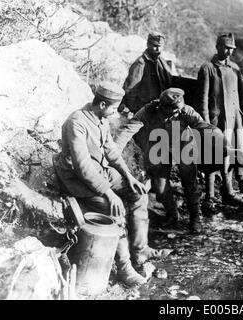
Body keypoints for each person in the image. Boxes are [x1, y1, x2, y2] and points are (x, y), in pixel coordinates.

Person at [53, 82, 171, 287]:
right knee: (113, 209)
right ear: (101, 105)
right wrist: (109, 193)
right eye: (113, 109)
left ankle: (139, 250)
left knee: (139, 194)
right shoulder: (76, 123)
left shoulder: (101, 119)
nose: (115, 113)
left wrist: (128, 176)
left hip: (101, 172)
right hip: (77, 179)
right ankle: (125, 267)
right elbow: (82, 167)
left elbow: (111, 150)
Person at [115, 88, 228, 233]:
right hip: (159, 146)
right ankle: (172, 214)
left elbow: (205, 127)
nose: (177, 113)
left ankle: (195, 218)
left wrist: (222, 143)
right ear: (163, 106)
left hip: (183, 146)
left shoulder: (186, 111)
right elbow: (129, 128)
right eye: (174, 110)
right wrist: (114, 149)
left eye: (179, 110)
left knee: (190, 183)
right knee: (161, 187)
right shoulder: (149, 110)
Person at [195, 33, 243, 209]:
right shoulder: (208, 68)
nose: (228, 52)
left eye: (231, 49)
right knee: (212, 155)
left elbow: (241, 96)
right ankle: (210, 196)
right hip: (217, 120)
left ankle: (229, 191)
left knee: (234, 152)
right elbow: (202, 99)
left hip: (235, 118)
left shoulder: (235, 68)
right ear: (218, 47)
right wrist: (205, 124)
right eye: (226, 48)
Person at [119, 32, 173, 114]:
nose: (158, 49)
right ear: (148, 44)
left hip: (160, 106)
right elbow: (131, 89)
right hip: (145, 109)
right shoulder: (140, 64)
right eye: (155, 46)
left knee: (175, 123)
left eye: (160, 46)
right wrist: (134, 110)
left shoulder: (162, 62)